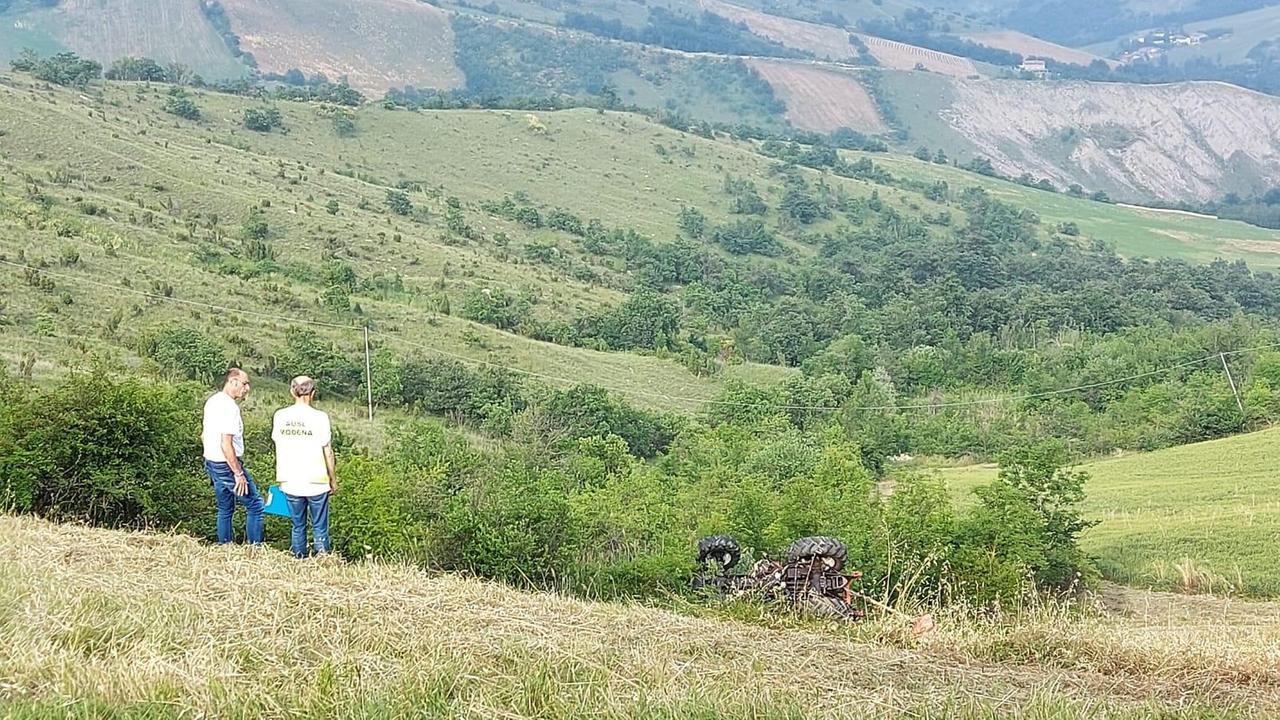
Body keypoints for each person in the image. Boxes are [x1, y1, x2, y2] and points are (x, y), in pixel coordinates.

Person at [271, 375, 337, 559]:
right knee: (319, 526)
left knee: (298, 525)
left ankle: (299, 561)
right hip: (316, 480)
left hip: (290, 479)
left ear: (292, 391)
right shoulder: (320, 417)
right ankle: (323, 561)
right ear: (313, 394)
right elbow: (328, 452)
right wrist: (333, 478)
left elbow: (277, 440)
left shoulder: (280, 415)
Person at [202, 368, 264, 544]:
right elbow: (226, 443)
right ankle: (255, 548)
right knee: (255, 505)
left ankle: (225, 546)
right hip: (226, 463)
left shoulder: (212, 401)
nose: (247, 388)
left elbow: (204, 434)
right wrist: (238, 473)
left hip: (212, 461)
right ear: (233, 381)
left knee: (225, 508)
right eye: (245, 383)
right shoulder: (230, 408)